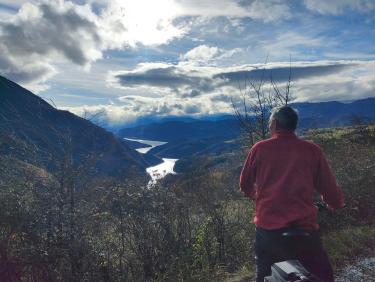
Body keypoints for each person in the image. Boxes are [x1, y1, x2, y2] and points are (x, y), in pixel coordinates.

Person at [239, 106, 344, 282]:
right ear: (294, 126)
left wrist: (257, 196)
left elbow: (244, 184)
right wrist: (335, 204)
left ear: (273, 124)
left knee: (265, 275)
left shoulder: (259, 149)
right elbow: (330, 189)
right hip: (305, 230)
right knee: (322, 276)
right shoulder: (312, 150)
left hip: (269, 231)